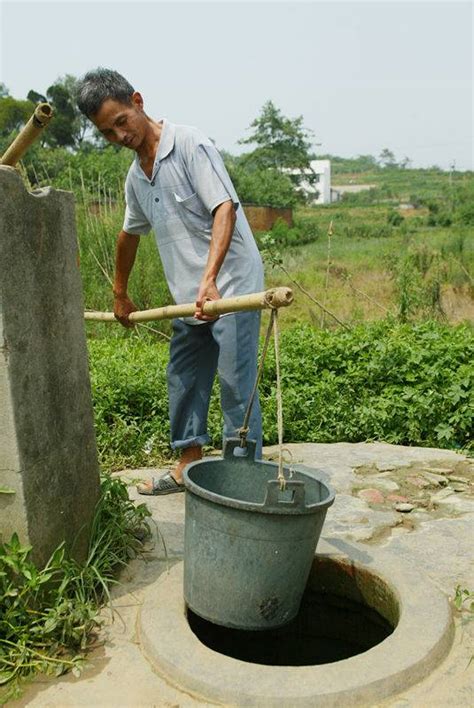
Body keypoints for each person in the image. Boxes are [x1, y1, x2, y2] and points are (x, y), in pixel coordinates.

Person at [76, 68, 264, 494]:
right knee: (183, 377)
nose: (119, 135)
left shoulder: (189, 144)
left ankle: (242, 478)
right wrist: (120, 294)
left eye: (121, 121)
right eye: (108, 133)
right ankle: (186, 466)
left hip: (230, 287)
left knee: (236, 383)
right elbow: (129, 234)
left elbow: (224, 210)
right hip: (189, 297)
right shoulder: (136, 179)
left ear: (138, 102)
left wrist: (211, 280)